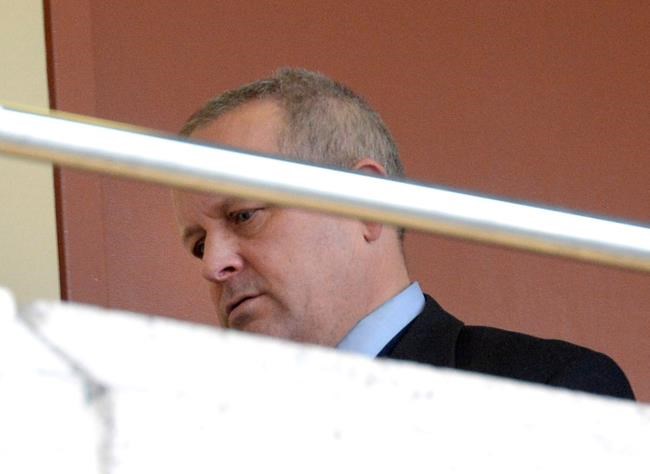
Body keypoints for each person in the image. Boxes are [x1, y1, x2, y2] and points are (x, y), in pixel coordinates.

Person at [172, 68, 634, 400]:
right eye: (198, 244)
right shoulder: (203, 437)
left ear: (366, 202)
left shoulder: (549, 393)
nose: (213, 265)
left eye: (244, 216)